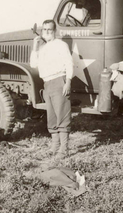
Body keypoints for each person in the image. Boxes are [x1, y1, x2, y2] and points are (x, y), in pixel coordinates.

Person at [30, 20, 73, 159]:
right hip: (47, 83)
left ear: (55, 31)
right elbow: (33, 64)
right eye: (45, 30)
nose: (47, 32)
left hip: (59, 80)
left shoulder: (61, 45)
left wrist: (68, 82)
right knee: (52, 117)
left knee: (62, 115)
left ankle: (64, 149)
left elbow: (69, 63)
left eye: (50, 29)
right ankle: (54, 147)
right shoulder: (42, 49)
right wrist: (35, 48)